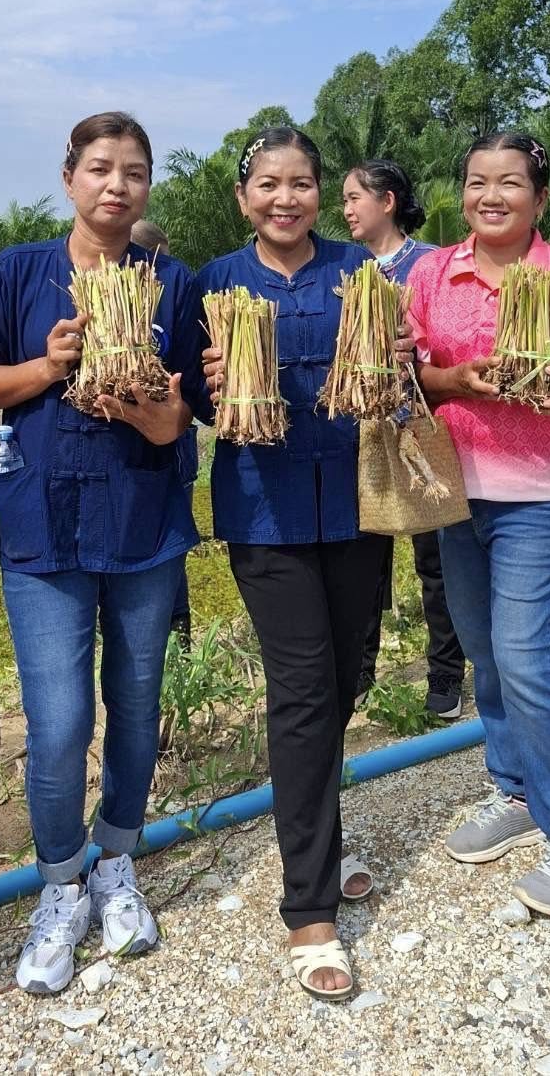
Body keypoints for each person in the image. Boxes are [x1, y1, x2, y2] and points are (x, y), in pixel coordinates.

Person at [0, 112, 203, 996]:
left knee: (135, 704)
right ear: (69, 176)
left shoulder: (170, 284)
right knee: (57, 725)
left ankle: (118, 860)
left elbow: (183, 417)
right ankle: (61, 879)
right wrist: (52, 367)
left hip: (142, 519)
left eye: (134, 172)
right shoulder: (20, 271)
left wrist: (143, 405)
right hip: (44, 527)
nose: (117, 186)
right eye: (100, 168)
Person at [407, 132, 550, 918]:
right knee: (484, 652)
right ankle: (516, 789)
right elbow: (416, 373)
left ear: (540, 196)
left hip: (547, 490)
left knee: (529, 657)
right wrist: (450, 378)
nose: (489, 196)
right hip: (456, 488)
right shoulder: (432, 273)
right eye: (476, 181)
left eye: (508, 182)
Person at [199, 127, 389, 1002]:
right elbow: (181, 396)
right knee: (305, 688)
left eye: (302, 183)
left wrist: (396, 360)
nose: (286, 198)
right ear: (244, 198)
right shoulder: (215, 282)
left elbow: (396, 365)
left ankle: (321, 830)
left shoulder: (361, 269)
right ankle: (309, 907)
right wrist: (209, 382)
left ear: (323, 192)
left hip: (357, 500)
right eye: (268, 184)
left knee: (350, 672)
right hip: (265, 511)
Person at [342, 160, 466, 719]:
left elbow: (447, 347)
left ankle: (446, 673)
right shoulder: (342, 268)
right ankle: (360, 671)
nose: (345, 210)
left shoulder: (430, 266)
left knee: (435, 561)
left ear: (387, 201)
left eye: (353, 198)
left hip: (419, 426)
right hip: (359, 428)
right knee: (364, 558)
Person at [131, 217, 195, 651]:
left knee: (170, 538)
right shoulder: (113, 305)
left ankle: (178, 629)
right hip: (130, 453)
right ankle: (172, 630)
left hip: (175, 445)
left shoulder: (176, 296)